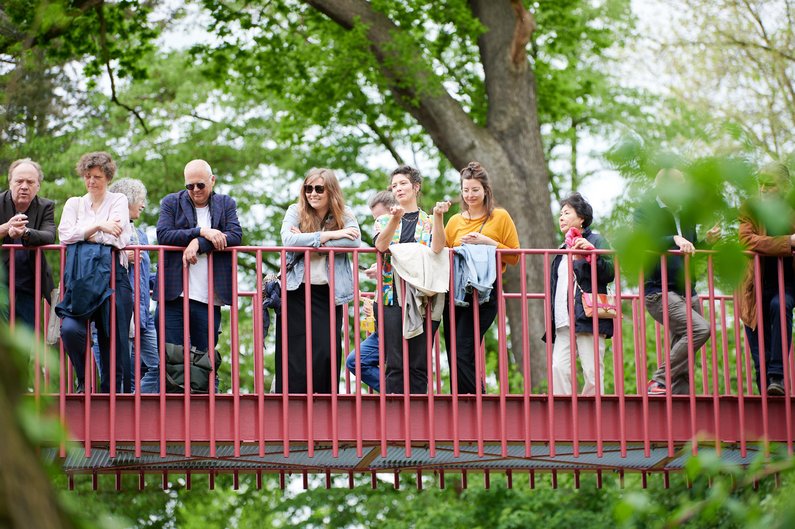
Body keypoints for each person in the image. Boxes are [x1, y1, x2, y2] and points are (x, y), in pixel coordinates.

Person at [275, 168, 361, 394]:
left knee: (326, 349)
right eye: (308, 188)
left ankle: (323, 402)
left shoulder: (344, 213)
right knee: (293, 350)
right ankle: (290, 403)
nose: (312, 193)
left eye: (319, 189)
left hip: (328, 292)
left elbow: (354, 241)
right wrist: (329, 236)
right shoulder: (295, 210)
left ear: (330, 191)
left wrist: (310, 243)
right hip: (295, 290)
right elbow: (288, 240)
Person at [636, 168, 719, 395]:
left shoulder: (686, 214)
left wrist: (706, 243)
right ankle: (659, 379)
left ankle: (680, 401)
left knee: (684, 348)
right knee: (699, 329)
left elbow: (690, 252)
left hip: (687, 290)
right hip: (658, 290)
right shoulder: (646, 211)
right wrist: (673, 238)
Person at [57, 152, 133, 393]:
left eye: (97, 176)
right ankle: (83, 379)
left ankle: (111, 391)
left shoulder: (118, 199)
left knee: (114, 336)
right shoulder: (74, 203)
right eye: (87, 176)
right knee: (70, 329)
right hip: (81, 277)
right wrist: (99, 226)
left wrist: (83, 233)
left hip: (113, 275)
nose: (91, 181)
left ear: (108, 177)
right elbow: (64, 234)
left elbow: (120, 236)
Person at [443, 161, 520, 394]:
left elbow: (515, 256)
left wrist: (487, 242)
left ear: (485, 190)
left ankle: (477, 399)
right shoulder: (455, 221)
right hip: (455, 290)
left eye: (475, 190)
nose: (470, 195)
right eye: (465, 190)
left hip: (485, 291)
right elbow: (443, 252)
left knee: (463, 348)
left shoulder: (500, 216)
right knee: (453, 351)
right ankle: (466, 400)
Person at [155, 160, 242, 363]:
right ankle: (173, 396)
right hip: (173, 294)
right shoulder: (171, 202)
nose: (195, 190)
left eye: (200, 185)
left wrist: (199, 243)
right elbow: (164, 235)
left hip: (209, 296)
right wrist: (202, 231)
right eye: (189, 186)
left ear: (212, 181)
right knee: (171, 358)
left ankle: (205, 394)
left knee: (203, 359)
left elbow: (235, 235)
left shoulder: (226, 203)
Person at [374, 165, 447, 394]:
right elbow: (381, 245)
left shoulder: (427, 221)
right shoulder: (383, 220)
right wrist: (395, 220)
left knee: (419, 363)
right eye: (394, 185)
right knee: (395, 362)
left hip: (423, 296)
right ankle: (394, 422)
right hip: (391, 295)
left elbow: (437, 247)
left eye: (403, 183)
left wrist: (438, 217)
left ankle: (418, 423)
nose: (398, 189)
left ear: (416, 187)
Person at [546, 192, 613, 396]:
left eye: (566, 213)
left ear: (581, 217)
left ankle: (591, 416)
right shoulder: (561, 249)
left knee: (592, 372)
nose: (561, 217)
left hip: (588, 316)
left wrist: (592, 253)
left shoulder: (596, 240)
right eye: (560, 214)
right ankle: (565, 417)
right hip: (563, 318)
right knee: (558, 368)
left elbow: (610, 273)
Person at [738, 162, 795, 396]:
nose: (762, 189)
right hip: (755, 286)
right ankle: (769, 404)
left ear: (784, 186)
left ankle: (778, 375)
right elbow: (747, 240)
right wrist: (787, 242)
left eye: (769, 185)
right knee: (760, 357)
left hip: (789, 281)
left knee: (780, 305)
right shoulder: (750, 208)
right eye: (760, 184)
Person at [109, 178, 159, 393]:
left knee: (159, 365)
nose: (143, 204)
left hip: (143, 315)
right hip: (121, 312)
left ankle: (138, 403)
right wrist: (119, 256)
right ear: (126, 200)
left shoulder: (142, 235)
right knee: (123, 372)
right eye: (140, 199)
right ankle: (124, 415)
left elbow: (146, 275)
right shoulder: (109, 230)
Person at [345, 190, 398, 391]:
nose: (377, 224)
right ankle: (395, 391)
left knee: (396, 363)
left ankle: (397, 391)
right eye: (375, 219)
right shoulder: (383, 247)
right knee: (355, 361)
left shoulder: (402, 236)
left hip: (398, 316)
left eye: (381, 218)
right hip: (382, 320)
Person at [0, 158, 56, 329]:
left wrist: (25, 232)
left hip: (29, 285)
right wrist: (7, 228)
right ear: (10, 182)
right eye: (19, 181)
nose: (24, 186)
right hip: (1, 282)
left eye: (30, 182)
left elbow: (49, 235)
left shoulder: (45, 206)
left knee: (24, 343)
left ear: (38, 186)